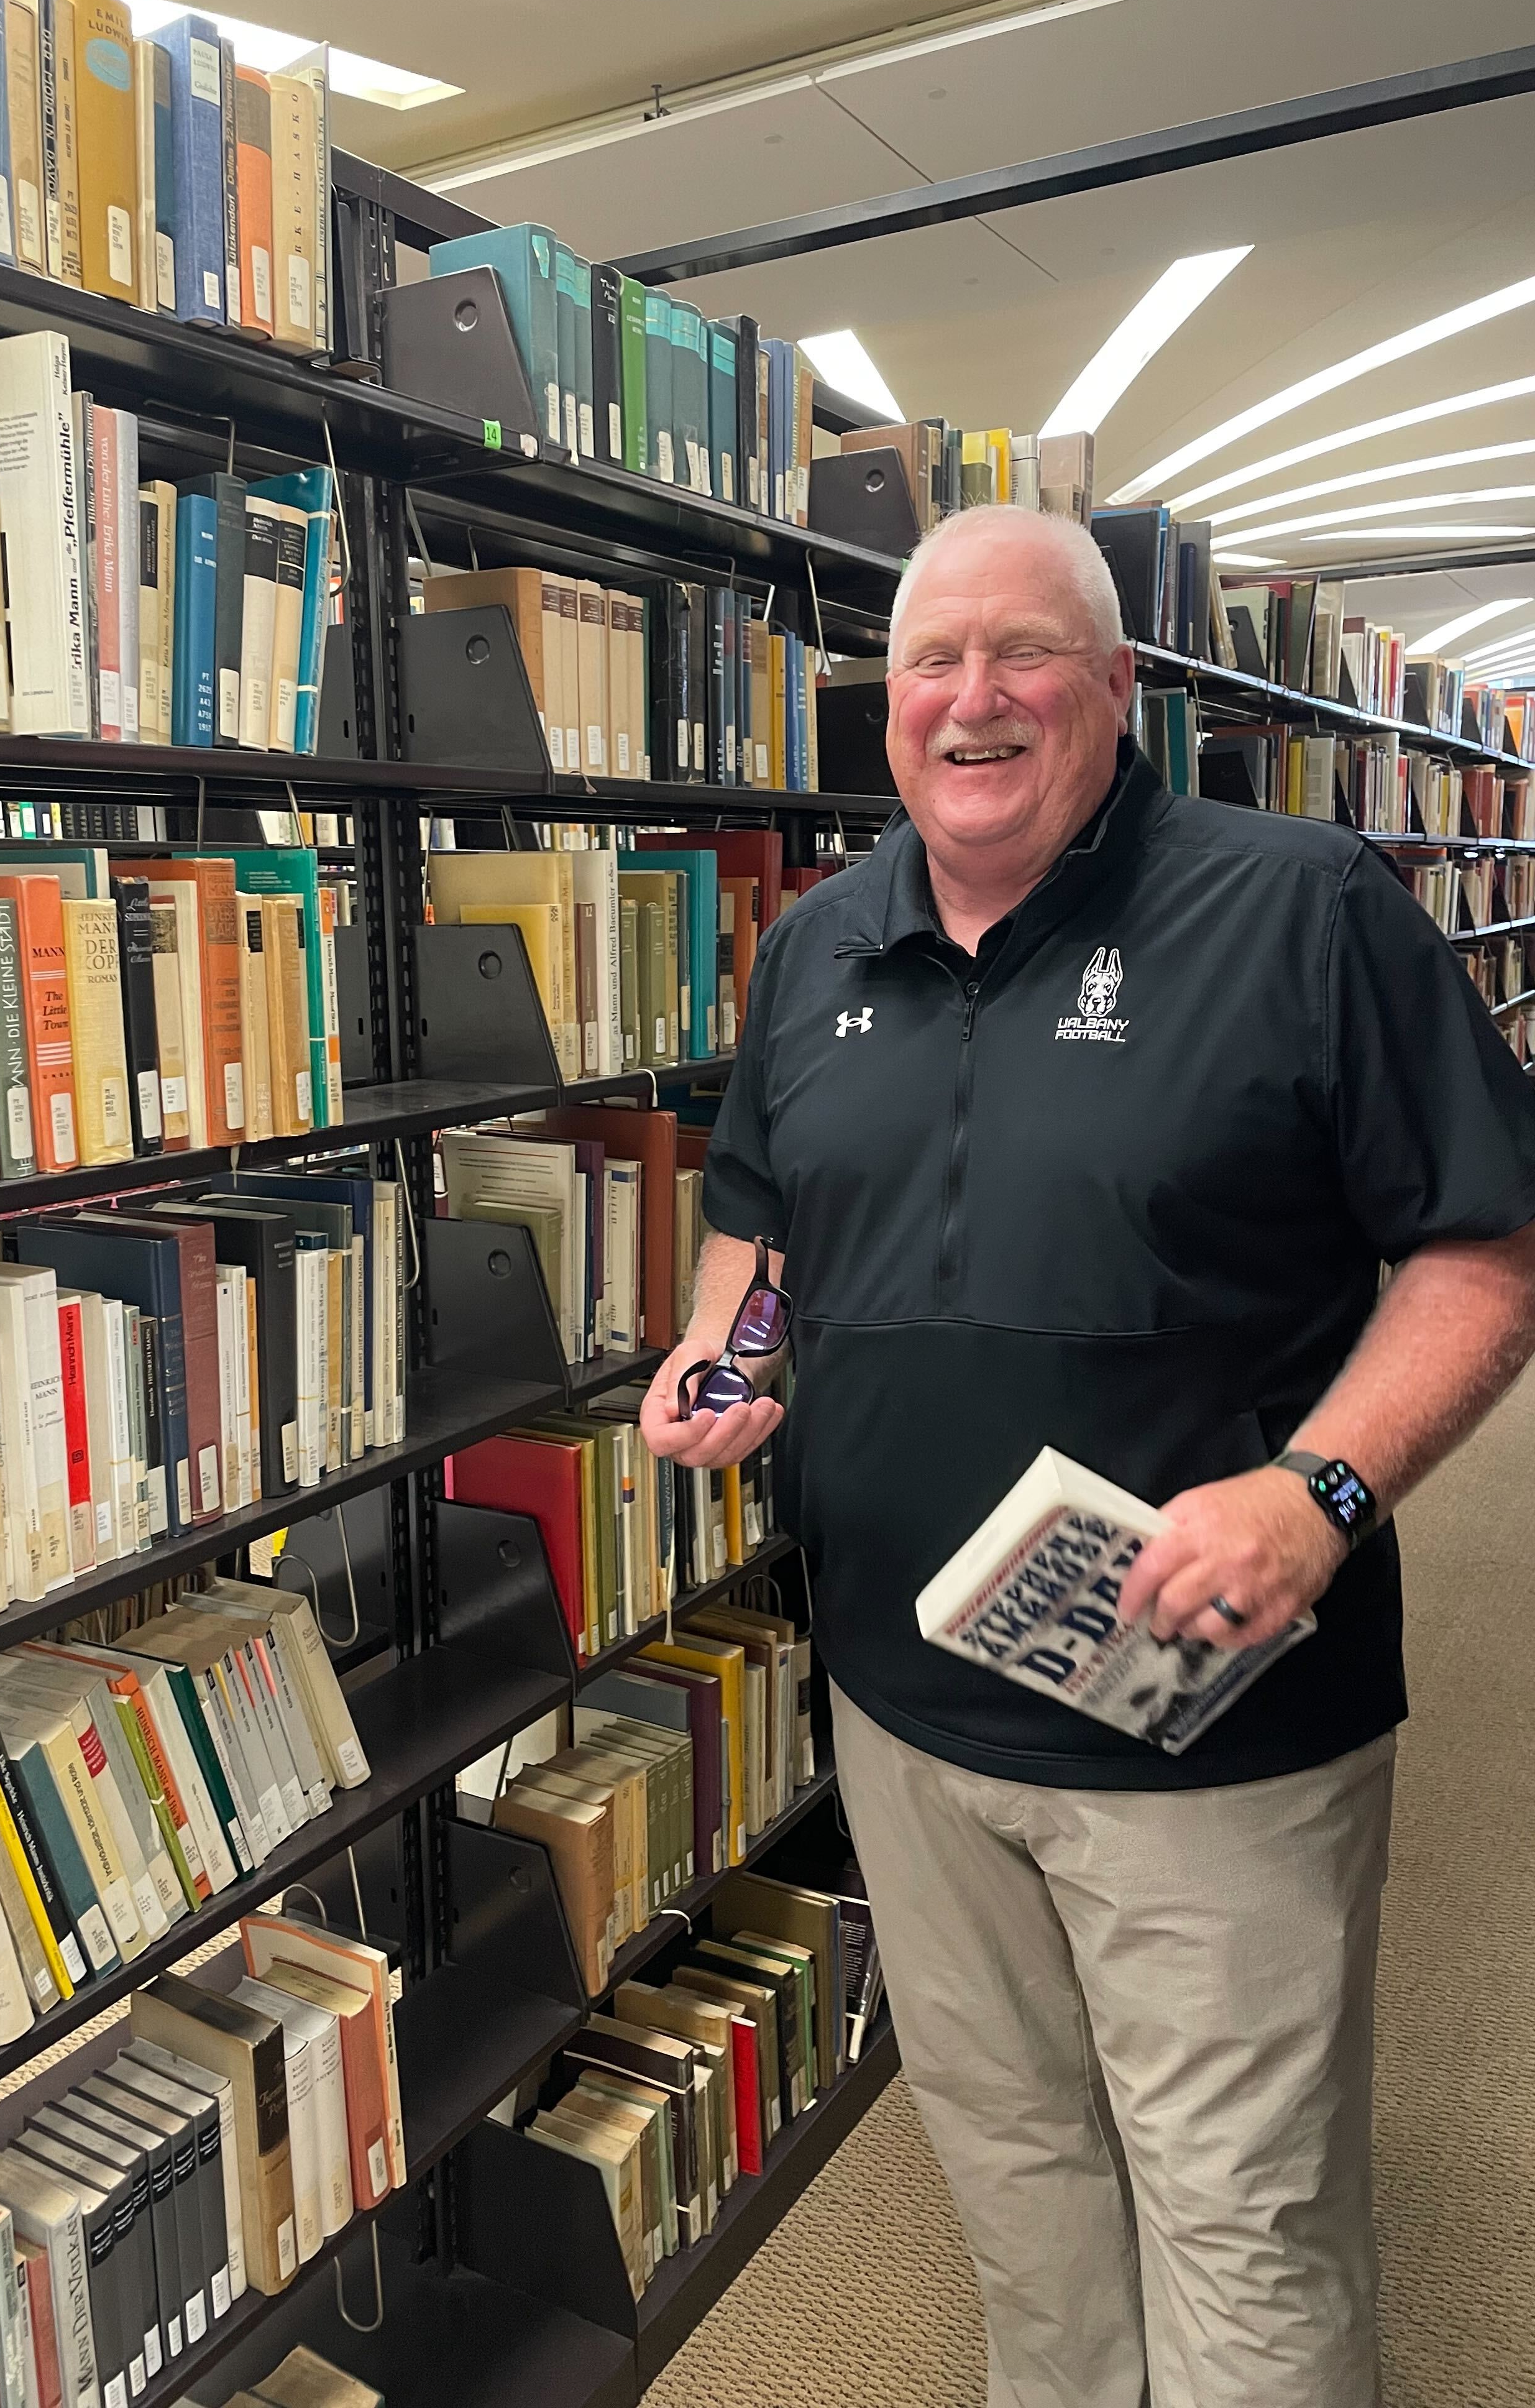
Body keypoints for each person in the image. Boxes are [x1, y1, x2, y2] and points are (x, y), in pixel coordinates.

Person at [639, 503, 1535, 2408]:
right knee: (1018, 2173)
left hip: (1209, 1727)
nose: (972, 699)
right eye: (932, 662)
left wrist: (1326, 1493)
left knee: (1244, 2219)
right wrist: (729, 1355)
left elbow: (1485, 1256)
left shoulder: (1301, 910)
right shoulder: (817, 947)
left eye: (1021, 653)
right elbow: (773, 1233)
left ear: (1120, 686)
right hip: (900, 1701)